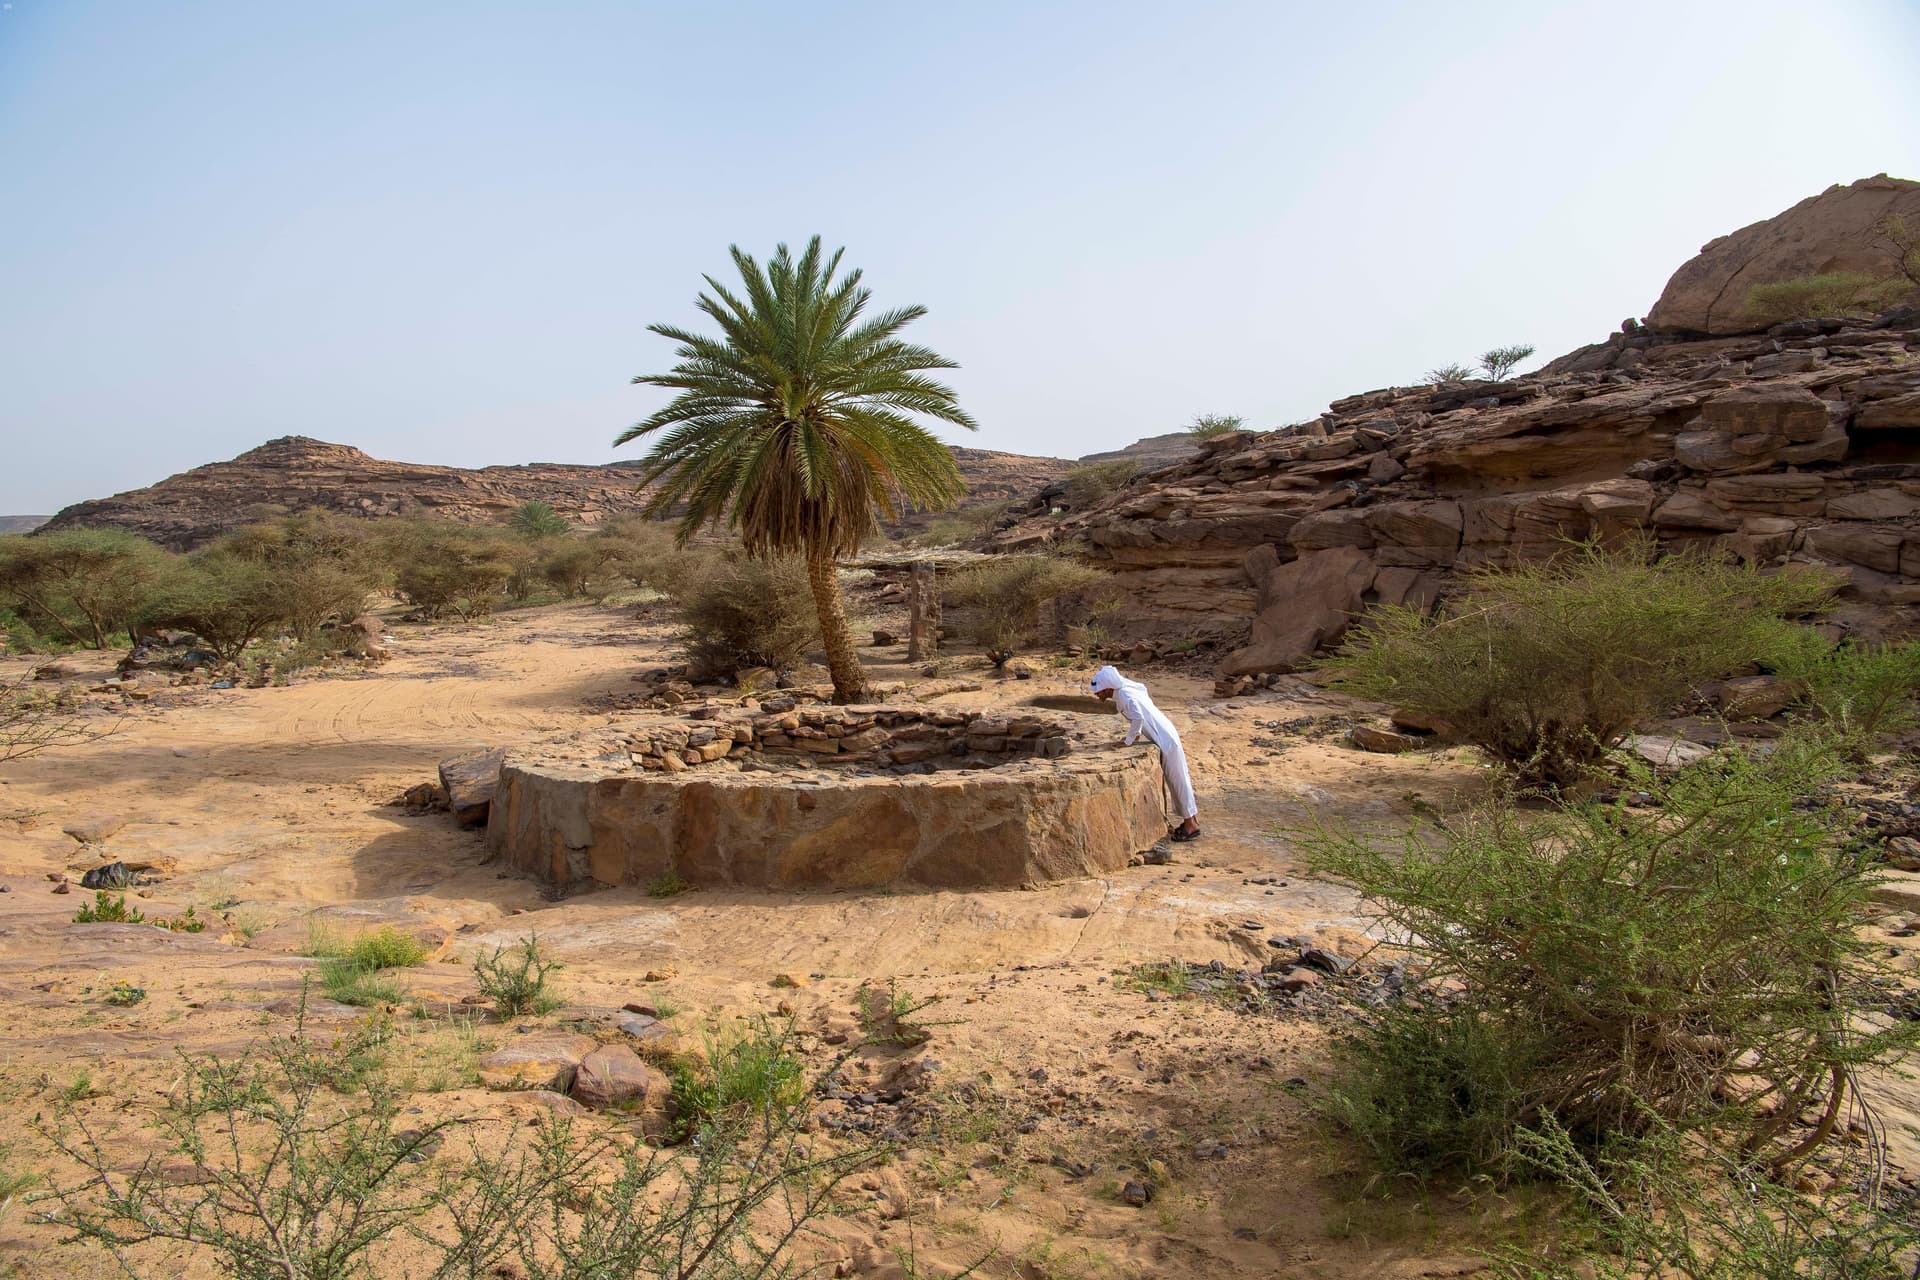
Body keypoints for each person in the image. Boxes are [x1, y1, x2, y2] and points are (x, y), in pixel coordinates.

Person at [1089, 665, 1200, 841]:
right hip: (1165, 735)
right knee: (1178, 780)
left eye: (1100, 691)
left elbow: (1138, 717)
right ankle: (1191, 821)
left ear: (1109, 688)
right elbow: (1143, 691)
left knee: (1178, 781)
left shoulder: (1125, 694)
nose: (1097, 694)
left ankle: (1191, 825)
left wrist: (1128, 741)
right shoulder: (1125, 689)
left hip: (1165, 739)